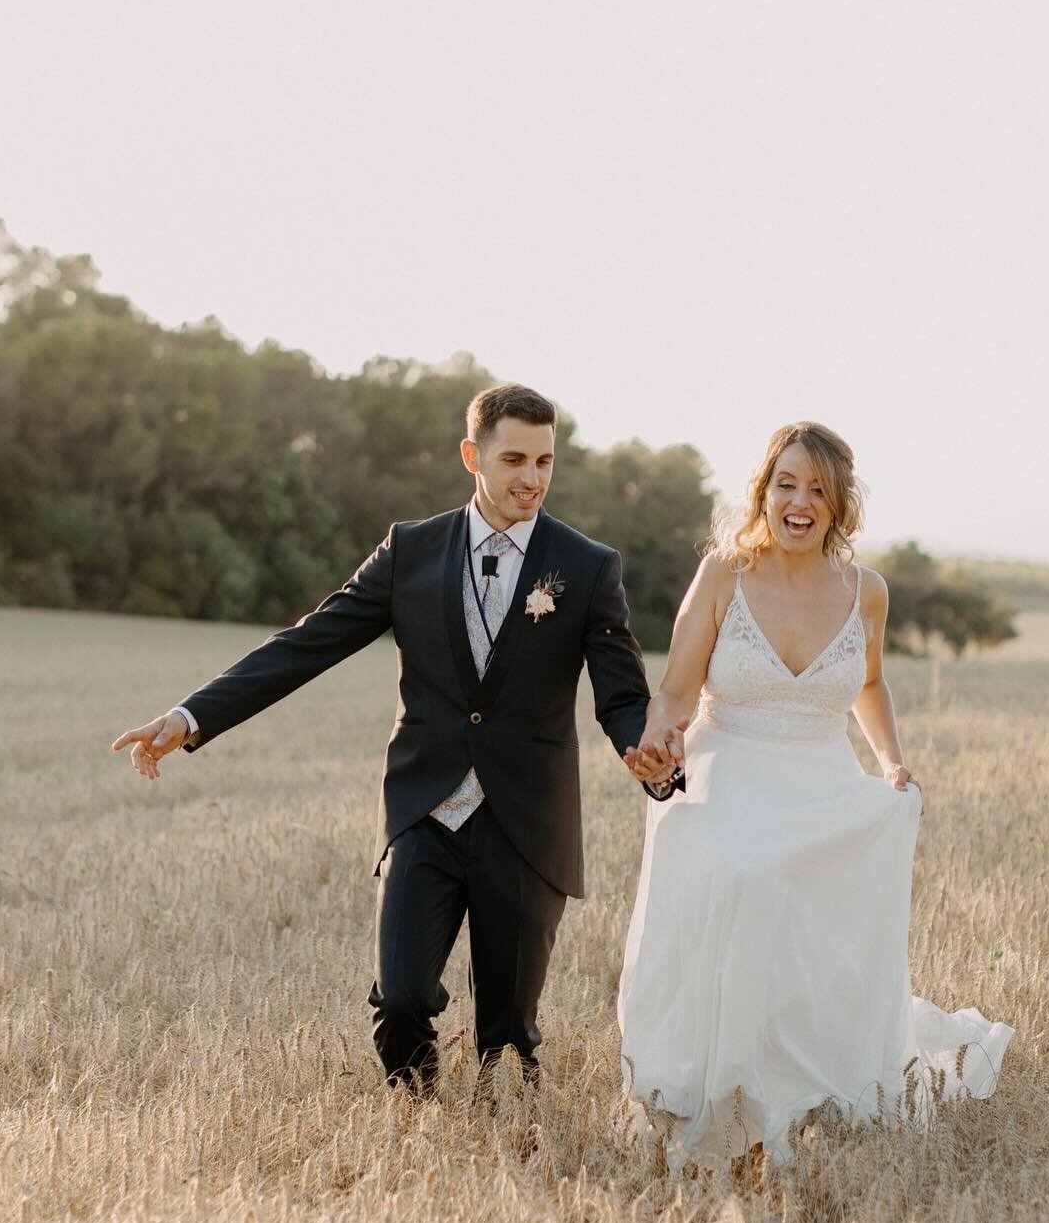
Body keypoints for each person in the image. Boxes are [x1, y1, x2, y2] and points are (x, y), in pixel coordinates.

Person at [111, 382, 678, 1096]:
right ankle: (419, 1123)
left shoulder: (589, 566)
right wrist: (191, 718)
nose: (531, 479)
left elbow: (622, 695)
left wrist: (644, 750)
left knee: (506, 1035)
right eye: (513, 460)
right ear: (472, 455)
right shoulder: (411, 550)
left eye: (545, 461)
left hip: (527, 821)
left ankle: (510, 1148)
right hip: (425, 810)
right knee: (402, 1000)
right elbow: (306, 644)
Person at [616, 420, 1014, 1175]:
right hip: (729, 766)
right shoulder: (723, 576)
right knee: (747, 875)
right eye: (786, 484)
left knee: (809, 928)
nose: (800, 502)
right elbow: (673, 692)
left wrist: (892, 764)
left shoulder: (866, 592)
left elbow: (867, 683)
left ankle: (800, 1077)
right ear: (763, 491)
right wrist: (660, 739)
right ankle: (724, 1089)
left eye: (818, 490)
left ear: (839, 505)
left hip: (821, 777)